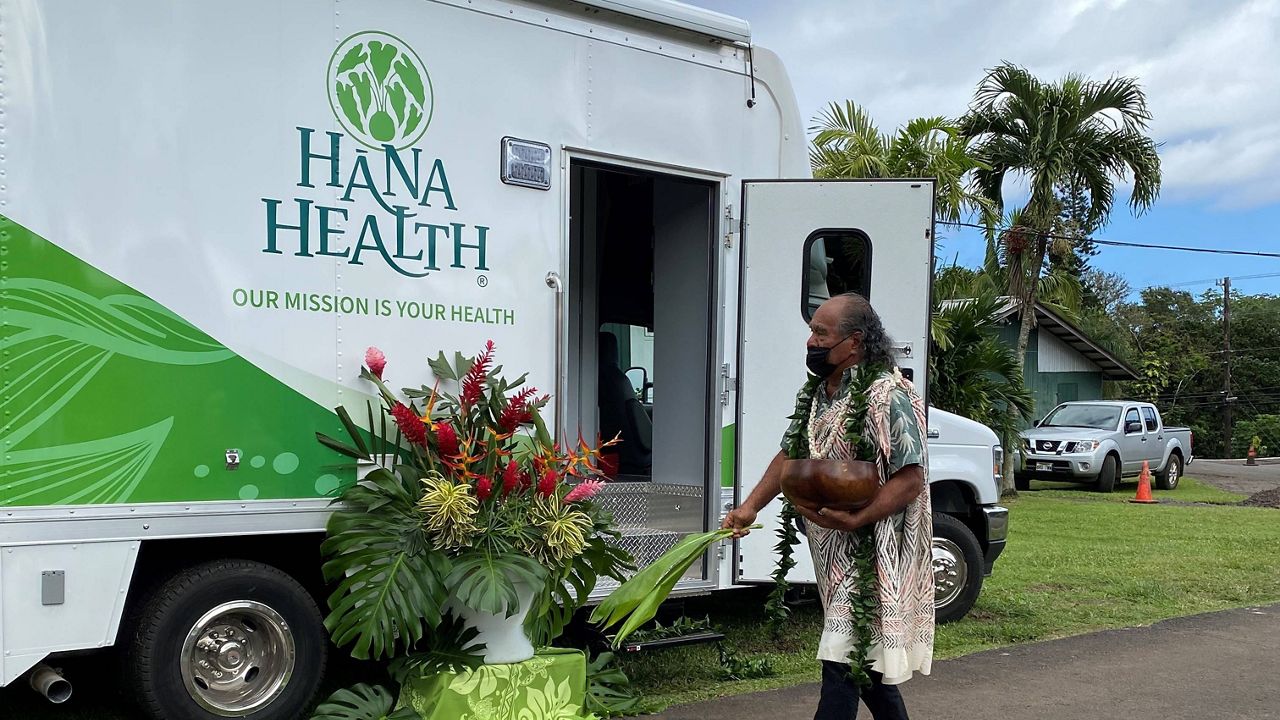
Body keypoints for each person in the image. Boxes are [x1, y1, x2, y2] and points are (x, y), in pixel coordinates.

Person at [721, 292, 933, 720]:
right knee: (862, 662)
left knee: (840, 658)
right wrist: (749, 508)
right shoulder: (819, 393)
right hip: (832, 551)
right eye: (811, 331)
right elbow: (789, 456)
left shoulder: (888, 394)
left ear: (854, 342)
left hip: (877, 550)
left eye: (821, 333)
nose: (810, 341)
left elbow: (911, 479)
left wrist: (859, 516)